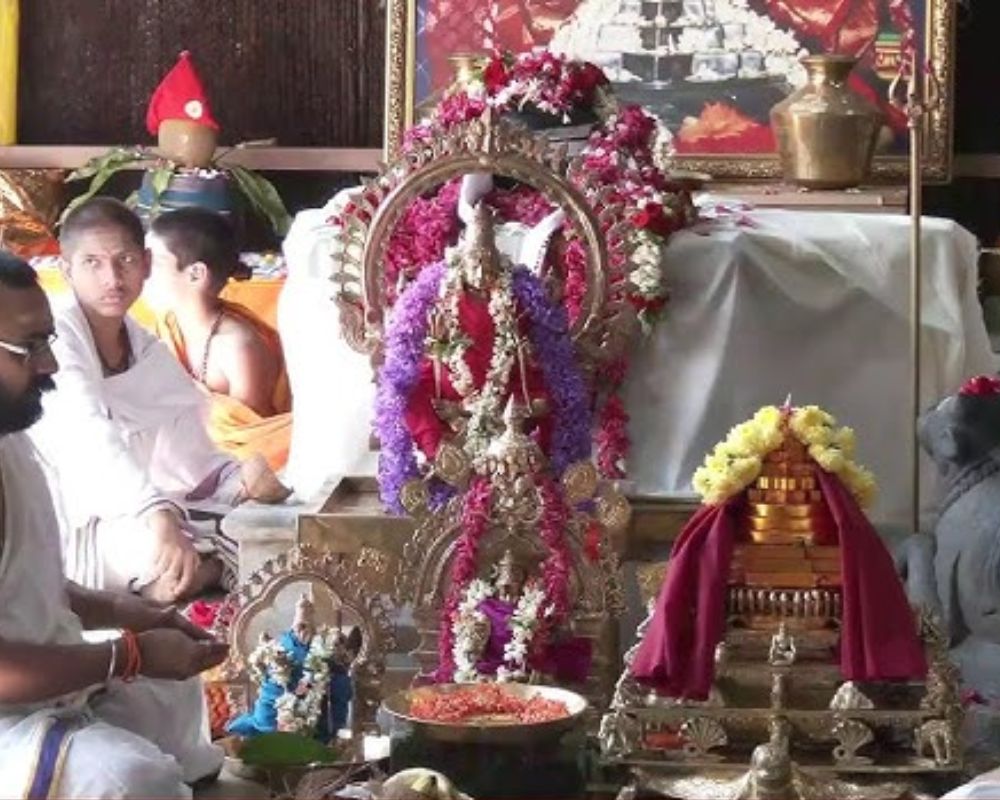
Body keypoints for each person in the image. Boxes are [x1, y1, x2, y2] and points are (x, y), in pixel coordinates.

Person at [0, 251, 228, 798]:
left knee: (172, 695)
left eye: (49, 342)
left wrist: (130, 614)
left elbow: (26, 583)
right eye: (29, 348)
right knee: (131, 779)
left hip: (43, 690)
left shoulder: (12, 437)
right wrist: (128, 654)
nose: (51, 365)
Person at [29, 198, 288, 606]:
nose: (112, 278)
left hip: (147, 507)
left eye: (125, 260)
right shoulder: (59, 339)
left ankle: (188, 571)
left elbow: (189, 445)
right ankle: (181, 573)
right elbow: (89, 437)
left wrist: (238, 481)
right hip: (71, 521)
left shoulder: (143, 345)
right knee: (160, 544)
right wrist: (156, 513)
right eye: (92, 263)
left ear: (146, 264)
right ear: (66, 271)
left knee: (267, 529)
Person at [146, 207, 292, 471]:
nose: (141, 272)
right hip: (183, 465)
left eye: (153, 263)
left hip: (242, 474)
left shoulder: (237, 347)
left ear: (195, 274)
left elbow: (252, 443)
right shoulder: (165, 327)